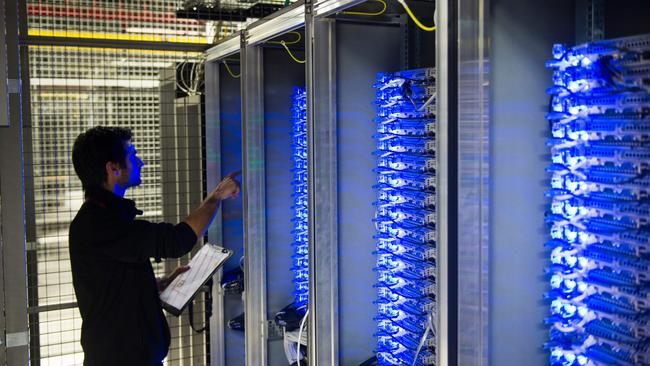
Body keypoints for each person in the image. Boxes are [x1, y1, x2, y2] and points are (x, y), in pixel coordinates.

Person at [69, 126, 240, 366]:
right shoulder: (99, 223)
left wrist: (155, 286)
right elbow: (175, 241)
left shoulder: (103, 219)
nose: (140, 162)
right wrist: (215, 198)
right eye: (132, 155)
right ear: (113, 168)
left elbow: (110, 284)